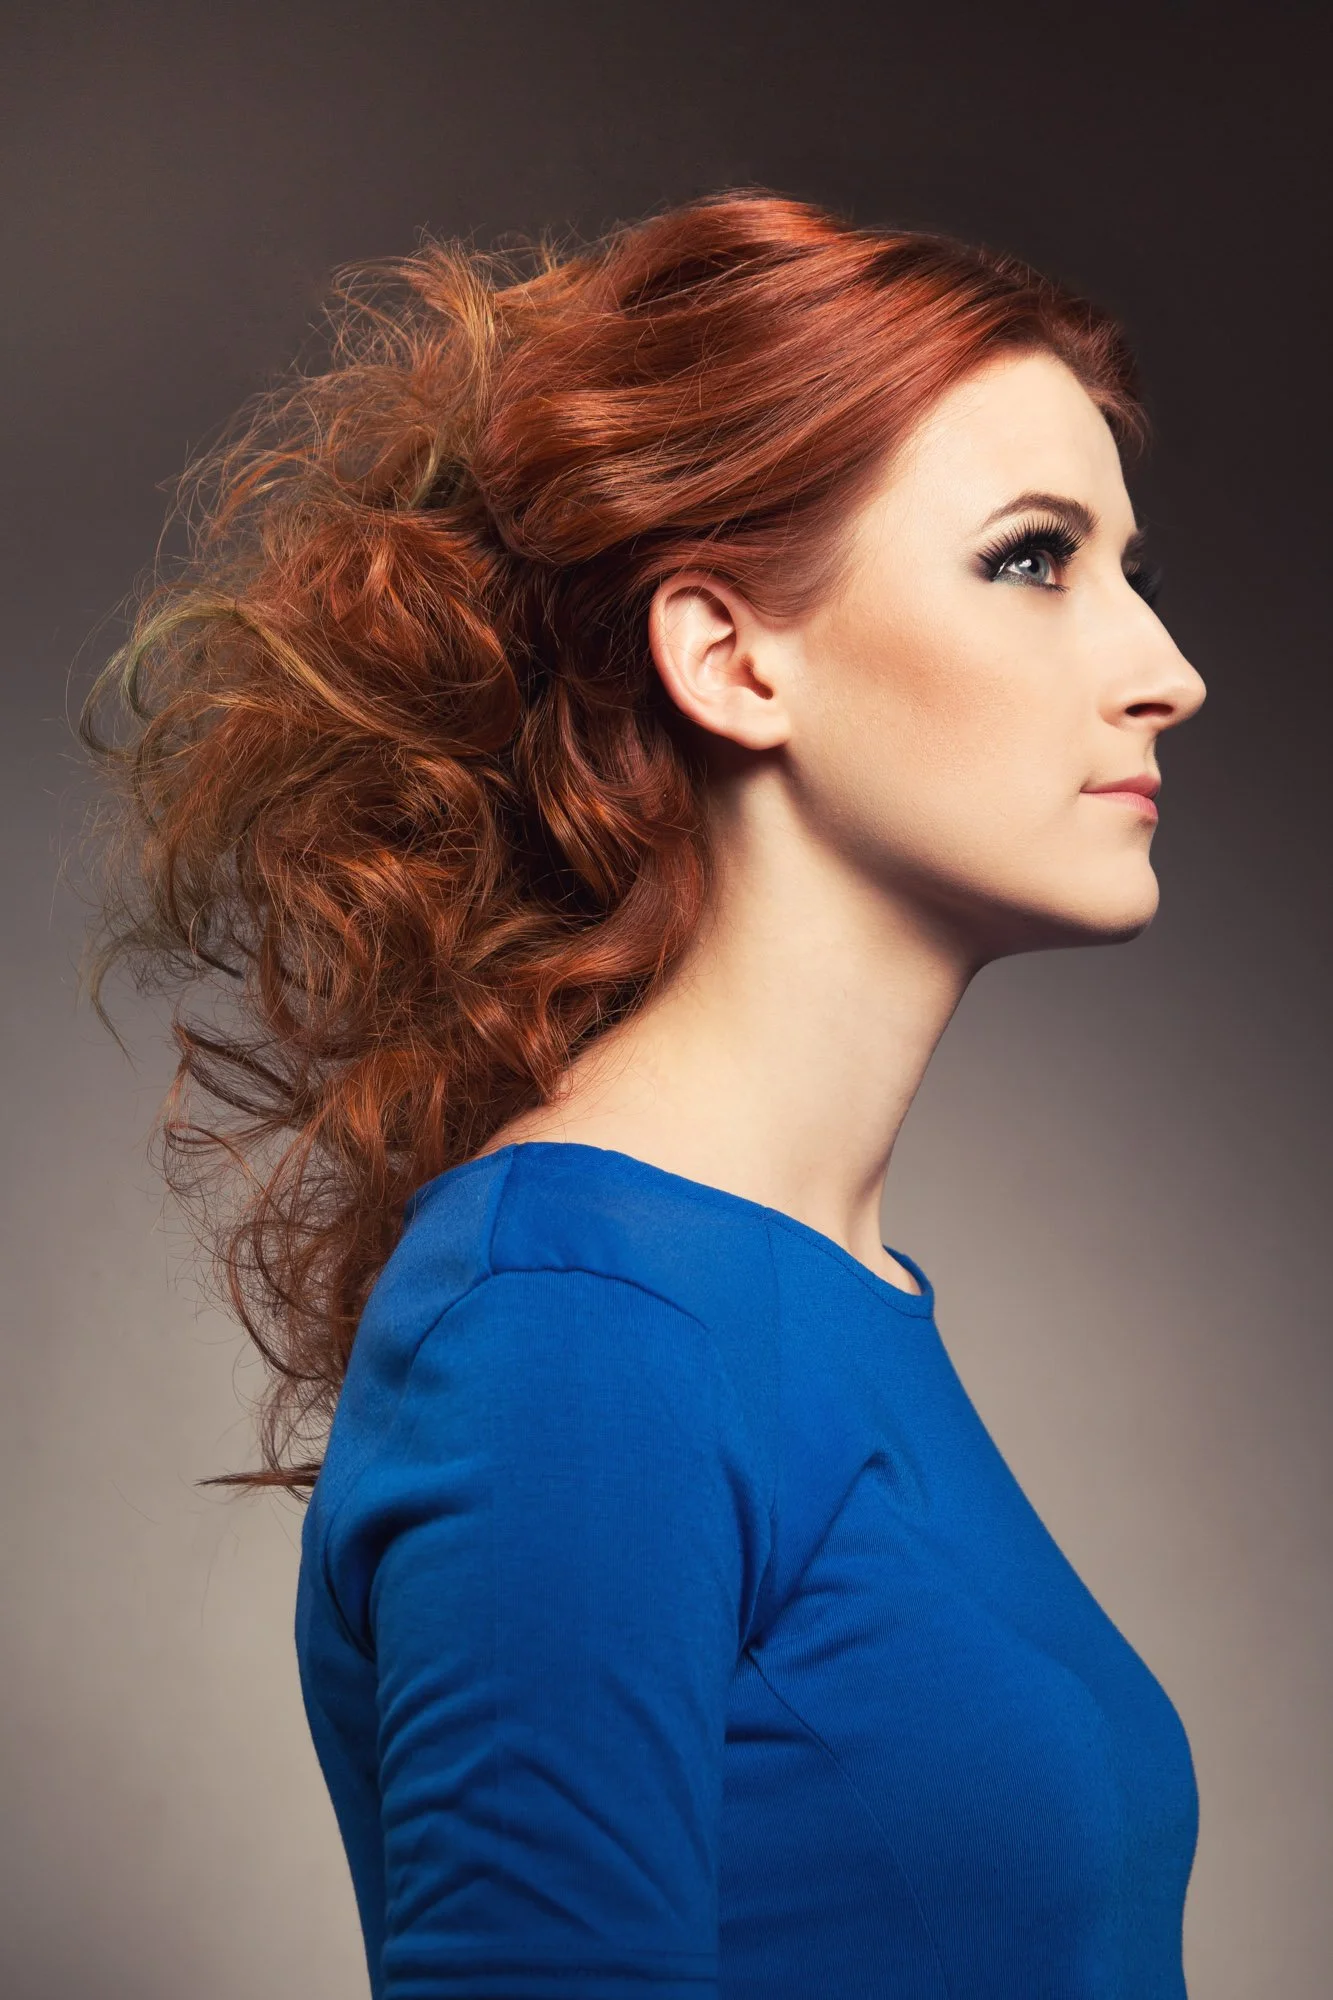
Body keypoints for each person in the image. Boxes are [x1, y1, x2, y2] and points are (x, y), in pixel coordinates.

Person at [78, 190, 1207, 1998]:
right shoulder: (577, 1325)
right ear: (731, 656)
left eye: (1131, 573)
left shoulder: (818, 1290)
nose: (1166, 673)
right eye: (1032, 560)